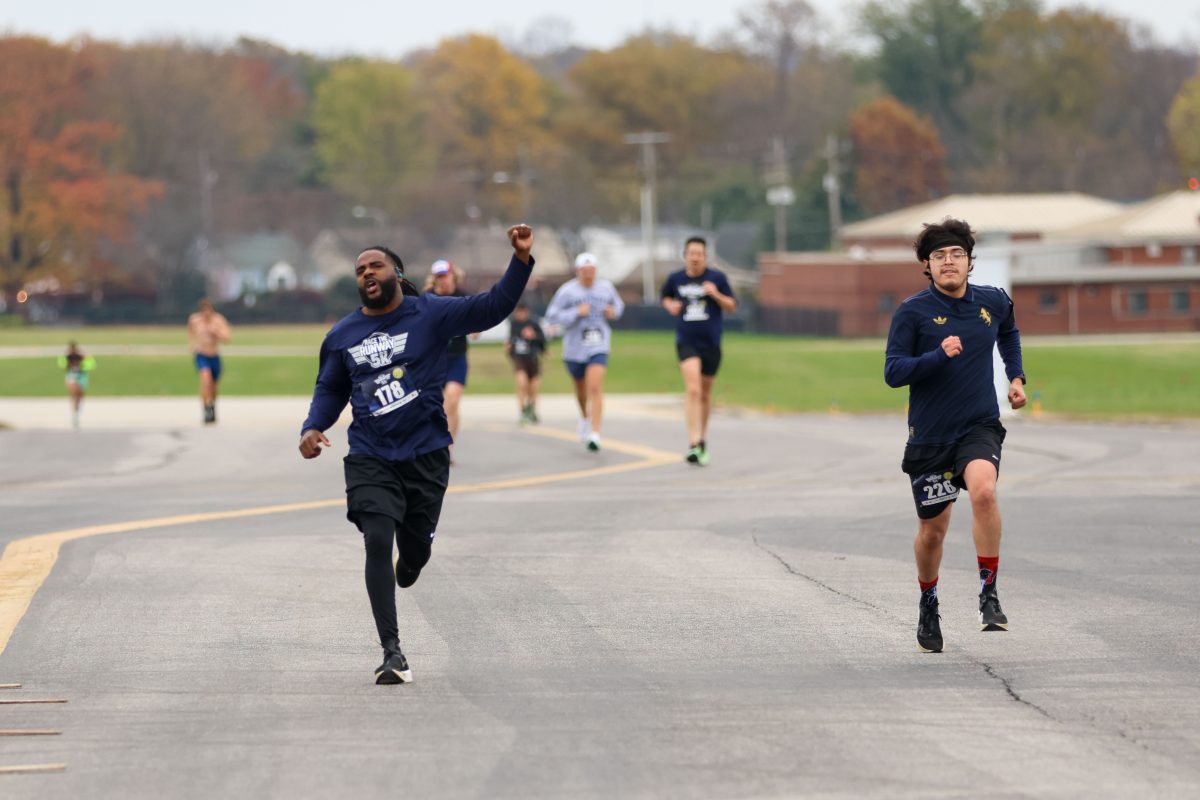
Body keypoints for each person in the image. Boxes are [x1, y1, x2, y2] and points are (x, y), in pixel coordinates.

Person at [299, 225, 534, 685]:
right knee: (376, 538)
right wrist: (312, 426)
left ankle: (413, 558)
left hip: (425, 453)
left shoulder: (430, 313)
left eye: (376, 265)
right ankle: (392, 652)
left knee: (413, 552)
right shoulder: (343, 335)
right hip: (371, 453)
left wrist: (521, 259)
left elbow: (492, 307)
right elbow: (330, 388)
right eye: (360, 269)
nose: (367, 273)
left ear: (398, 275)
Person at [884, 217, 1026, 654]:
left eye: (957, 254)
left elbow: (1008, 330)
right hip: (931, 436)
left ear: (969, 261)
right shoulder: (912, 312)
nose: (949, 262)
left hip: (978, 426)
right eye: (940, 256)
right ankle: (928, 602)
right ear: (927, 265)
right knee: (933, 532)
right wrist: (937, 356)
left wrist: (1016, 377)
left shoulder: (992, 301)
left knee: (984, 491)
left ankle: (989, 592)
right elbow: (893, 373)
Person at [660, 236, 736, 466]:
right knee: (693, 389)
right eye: (691, 253)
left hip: (711, 343)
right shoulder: (676, 279)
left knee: (704, 393)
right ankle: (692, 442)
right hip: (687, 341)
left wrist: (715, 294)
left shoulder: (717, 278)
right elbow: (665, 297)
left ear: (705, 257)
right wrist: (670, 305)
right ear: (685, 256)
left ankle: (702, 439)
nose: (695, 258)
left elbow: (732, 306)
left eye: (699, 254)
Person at [544, 252, 624, 451]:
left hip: (598, 343)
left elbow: (619, 306)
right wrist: (576, 312)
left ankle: (595, 434)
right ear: (578, 271)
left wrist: (612, 312)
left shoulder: (606, 287)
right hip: (574, 347)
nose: (589, 274)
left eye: (592, 270)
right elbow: (552, 316)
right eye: (585, 270)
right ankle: (585, 417)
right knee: (580, 389)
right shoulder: (567, 291)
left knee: (595, 387)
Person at [423, 260, 477, 459]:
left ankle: (447, 447)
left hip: (456, 358)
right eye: (438, 277)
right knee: (435, 405)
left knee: (452, 400)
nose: (442, 280)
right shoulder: (427, 298)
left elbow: (476, 321)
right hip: (433, 360)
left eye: (444, 275)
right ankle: (437, 442)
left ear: (452, 275)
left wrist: (475, 327)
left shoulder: (463, 296)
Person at [187, 298, 231, 424]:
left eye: (209, 311)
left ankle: (212, 406)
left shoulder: (218, 320)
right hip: (201, 355)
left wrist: (216, 332)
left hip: (214, 355)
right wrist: (192, 345)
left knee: (214, 386)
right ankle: (205, 409)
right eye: (204, 311)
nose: (207, 314)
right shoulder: (195, 320)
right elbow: (190, 332)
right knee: (206, 380)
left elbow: (227, 338)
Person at [506, 301, 547, 424]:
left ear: (527, 312)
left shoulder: (533, 323)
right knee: (522, 383)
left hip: (533, 358)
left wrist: (533, 336)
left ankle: (532, 409)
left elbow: (542, 339)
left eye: (522, 312)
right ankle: (522, 411)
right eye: (518, 312)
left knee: (533, 387)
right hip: (519, 359)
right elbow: (511, 341)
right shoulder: (513, 324)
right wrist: (509, 348)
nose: (520, 314)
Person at [57, 342, 95, 428]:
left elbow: (91, 365)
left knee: (80, 396)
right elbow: (61, 365)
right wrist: (65, 359)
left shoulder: (81, 356)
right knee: (73, 393)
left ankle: (76, 412)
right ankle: (74, 414)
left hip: (81, 375)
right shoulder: (67, 356)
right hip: (72, 375)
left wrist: (85, 358)